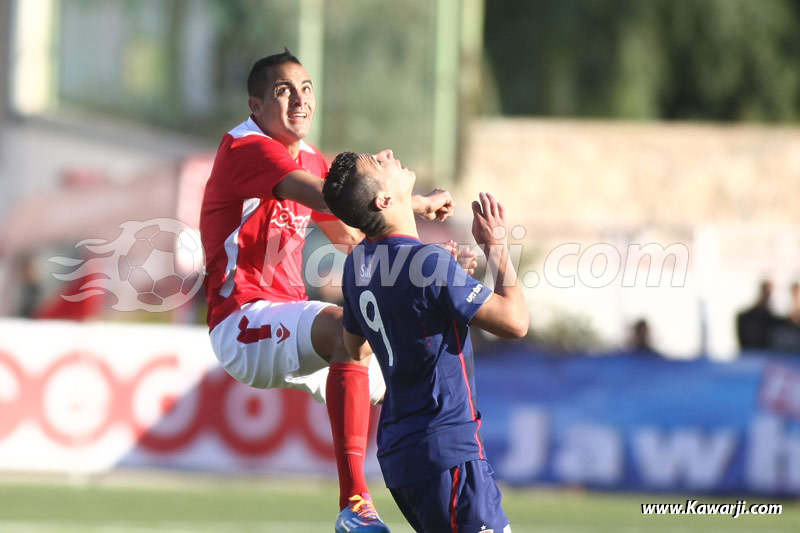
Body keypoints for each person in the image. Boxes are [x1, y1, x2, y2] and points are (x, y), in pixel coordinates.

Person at [199, 50, 455, 532]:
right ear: (255, 105)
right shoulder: (245, 147)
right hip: (243, 319)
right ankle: (354, 504)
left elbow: (351, 234)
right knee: (347, 329)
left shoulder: (310, 156)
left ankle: (430, 495)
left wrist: (425, 254)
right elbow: (329, 198)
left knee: (405, 372)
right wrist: (412, 201)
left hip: (287, 317)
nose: (300, 99)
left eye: (307, 88)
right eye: (284, 91)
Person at [323, 150, 529, 532]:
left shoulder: (357, 264)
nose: (388, 155)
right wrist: (496, 247)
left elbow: (356, 349)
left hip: (401, 458)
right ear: (383, 200)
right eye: (379, 162)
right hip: (446, 451)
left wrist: (439, 290)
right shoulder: (428, 265)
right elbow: (515, 322)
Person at [736, 280, 778, 350]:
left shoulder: (772, 319)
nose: (767, 296)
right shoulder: (746, 317)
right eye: (765, 293)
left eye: (769, 293)